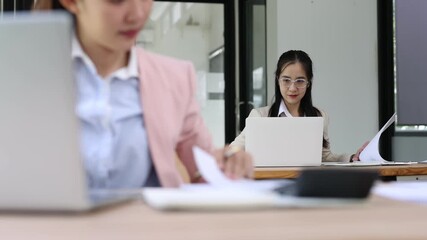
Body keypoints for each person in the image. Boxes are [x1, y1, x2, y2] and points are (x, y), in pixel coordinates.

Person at [33, 0, 253, 188]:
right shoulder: (26, 69)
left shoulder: (174, 78)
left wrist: (227, 162)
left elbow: (203, 170)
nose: (137, 14)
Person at [231, 50, 366, 162]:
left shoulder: (319, 116)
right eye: (286, 80)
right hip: (269, 182)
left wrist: (352, 157)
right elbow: (234, 150)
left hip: (306, 184)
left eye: (300, 81)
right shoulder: (260, 116)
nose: (293, 88)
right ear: (278, 80)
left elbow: (324, 156)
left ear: (308, 83)